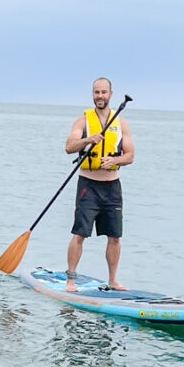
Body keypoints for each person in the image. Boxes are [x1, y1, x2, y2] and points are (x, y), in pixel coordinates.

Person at [64, 77, 133, 290]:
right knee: (80, 233)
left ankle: (112, 280)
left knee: (114, 236)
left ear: (110, 94)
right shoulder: (83, 120)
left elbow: (130, 156)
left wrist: (115, 160)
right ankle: (70, 280)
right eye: (96, 92)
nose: (100, 96)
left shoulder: (120, 122)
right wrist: (87, 140)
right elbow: (69, 146)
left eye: (103, 92)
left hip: (112, 187)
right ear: (92, 94)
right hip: (89, 185)